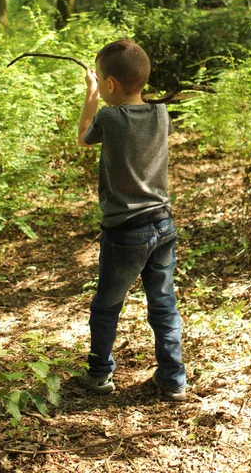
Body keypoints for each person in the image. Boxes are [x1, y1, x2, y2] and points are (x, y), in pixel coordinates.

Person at [77, 39, 186, 401]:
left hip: (125, 232)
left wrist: (90, 95)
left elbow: (83, 138)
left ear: (109, 84)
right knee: (163, 302)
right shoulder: (161, 113)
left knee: (107, 304)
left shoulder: (109, 117)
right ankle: (173, 379)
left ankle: (99, 374)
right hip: (163, 224)